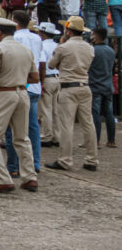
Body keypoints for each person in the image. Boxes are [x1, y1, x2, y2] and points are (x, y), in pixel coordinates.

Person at [0, 17, 39, 193]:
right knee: (22, 137)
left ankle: (3, 178)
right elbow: (35, 77)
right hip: (22, 92)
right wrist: (18, 80)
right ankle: (30, 177)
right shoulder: (25, 50)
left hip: (4, 93)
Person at [45, 17, 98, 172]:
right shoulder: (89, 47)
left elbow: (51, 64)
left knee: (66, 125)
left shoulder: (64, 47)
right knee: (88, 124)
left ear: (68, 31)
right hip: (84, 86)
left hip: (68, 88)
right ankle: (92, 159)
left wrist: (61, 45)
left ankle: (65, 160)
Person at [6, 10, 44, 175]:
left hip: (18, 85)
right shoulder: (37, 38)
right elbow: (41, 62)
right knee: (33, 127)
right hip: (33, 86)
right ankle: (35, 163)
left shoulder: (14, 38)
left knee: (12, 128)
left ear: (15, 22)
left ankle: (13, 166)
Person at [89, 27, 116, 148]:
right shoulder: (110, 51)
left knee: (95, 114)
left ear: (95, 35)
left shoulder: (93, 50)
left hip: (95, 85)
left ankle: (96, 140)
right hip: (107, 85)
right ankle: (111, 140)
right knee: (109, 114)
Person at [35, 22, 60, 149]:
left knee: (45, 109)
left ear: (42, 33)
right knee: (55, 110)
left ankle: (46, 135)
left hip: (47, 79)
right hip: (58, 78)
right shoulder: (57, 45)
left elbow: (42, 64)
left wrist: (41, 81)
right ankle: (57, 136)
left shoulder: (41, 45)